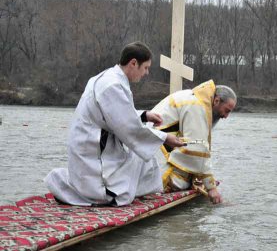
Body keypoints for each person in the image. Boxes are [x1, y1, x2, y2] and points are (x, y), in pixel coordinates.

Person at [44, 42, 184, 206]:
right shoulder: (112, 85)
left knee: (142, 157)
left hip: (91, 143)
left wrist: (145, 115)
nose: (146, 73)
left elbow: (115, 116)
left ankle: (127, 188)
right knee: (126, 185)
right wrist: (165, 138)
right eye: (145, 67)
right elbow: (129, 128)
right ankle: (104, 192)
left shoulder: (109, 78)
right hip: (92, 151)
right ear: (133, 63)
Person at [151, 80, 236, 204]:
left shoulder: (195, 98)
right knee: (180, 182)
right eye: (226, 110)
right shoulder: (197, 105)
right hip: (155, 152)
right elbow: (196, 149)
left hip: (152, 146)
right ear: (216, 101)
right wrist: (211, 187)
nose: (226, 116)